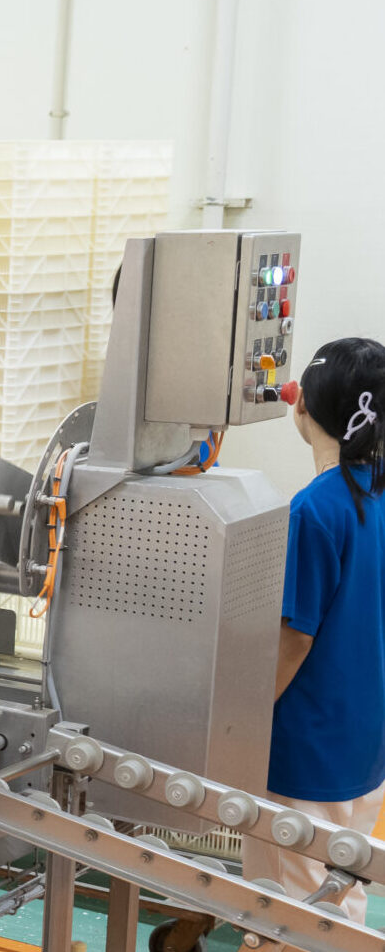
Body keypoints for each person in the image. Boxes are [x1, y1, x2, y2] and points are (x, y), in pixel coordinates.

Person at [243, 336, 385, 920]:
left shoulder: (315, 510)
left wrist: (243, 719)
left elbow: (294, 638)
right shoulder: (376, 493)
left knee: (289, 917)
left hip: (304, 755)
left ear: (301, 404)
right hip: (365, 749)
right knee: (341, 899)